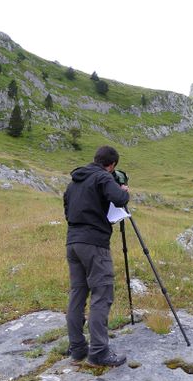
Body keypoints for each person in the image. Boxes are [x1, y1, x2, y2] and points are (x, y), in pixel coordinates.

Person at [63, 145, 130, 367]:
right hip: (94, 244)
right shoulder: (103, 177)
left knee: (77, 293)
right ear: (111, 166)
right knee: (102, 293)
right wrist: (125, 190)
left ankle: (77, 348)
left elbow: (67, 210)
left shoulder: (74, 182)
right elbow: (119, 199)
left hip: (73, 242)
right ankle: (99, 352)